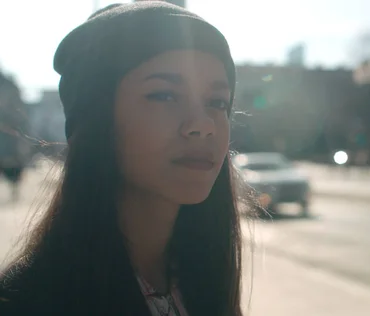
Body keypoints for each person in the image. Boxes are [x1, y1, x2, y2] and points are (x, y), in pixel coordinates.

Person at [0, 2, 247, 315]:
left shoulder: (207, 278)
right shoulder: (28, 301)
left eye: (218, 102)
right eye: (164, 95)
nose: (203, 125)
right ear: (96, 119)